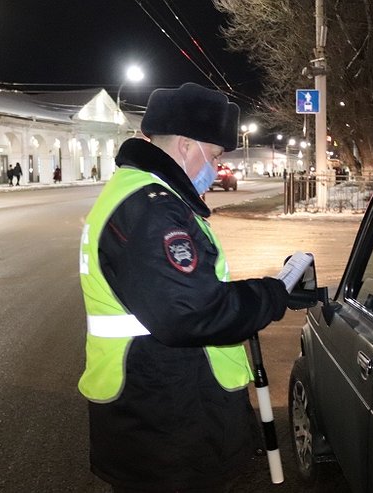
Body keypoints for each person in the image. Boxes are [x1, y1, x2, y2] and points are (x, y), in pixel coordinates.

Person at [78, 82, 292, 493]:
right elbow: (191, 313)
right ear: (185, 145)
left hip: (157, 412)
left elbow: (184, 290)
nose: (215, 169)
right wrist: (269, 296)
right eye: (214, 156)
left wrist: (259, 292)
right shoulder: (153, 208)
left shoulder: (140, 195)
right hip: (168, 423)